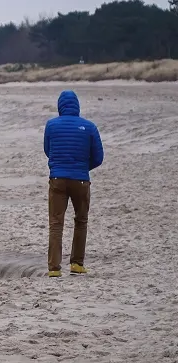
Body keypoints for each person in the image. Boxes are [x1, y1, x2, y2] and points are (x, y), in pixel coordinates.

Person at [44, 90, 104, 277]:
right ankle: (77, 264)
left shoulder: (51, 125)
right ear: (77, 106)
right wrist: (82, 168)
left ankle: (54, 268)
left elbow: (48, 150)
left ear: (60, 106)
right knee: (81, 221)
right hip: (81, 179)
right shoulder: (89, 126)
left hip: (57, 179)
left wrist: (60, 165)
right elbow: (98, 157)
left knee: (56, 223)